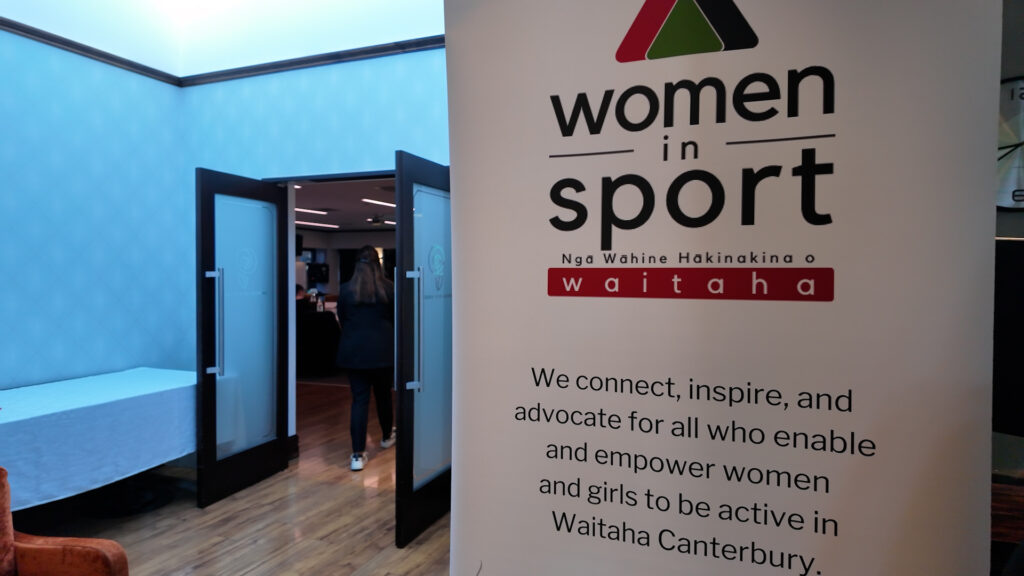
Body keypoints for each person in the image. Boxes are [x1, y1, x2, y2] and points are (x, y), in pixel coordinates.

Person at [335, 246, 397, 471]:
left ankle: (357, 455)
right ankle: (387, 436)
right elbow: (396, 318)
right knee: (383, 396)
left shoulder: (346, 290)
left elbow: (342, 318)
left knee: (359, 401)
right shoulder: (389, 288)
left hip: (354, 352)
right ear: (377, 264)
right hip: (382, 352)